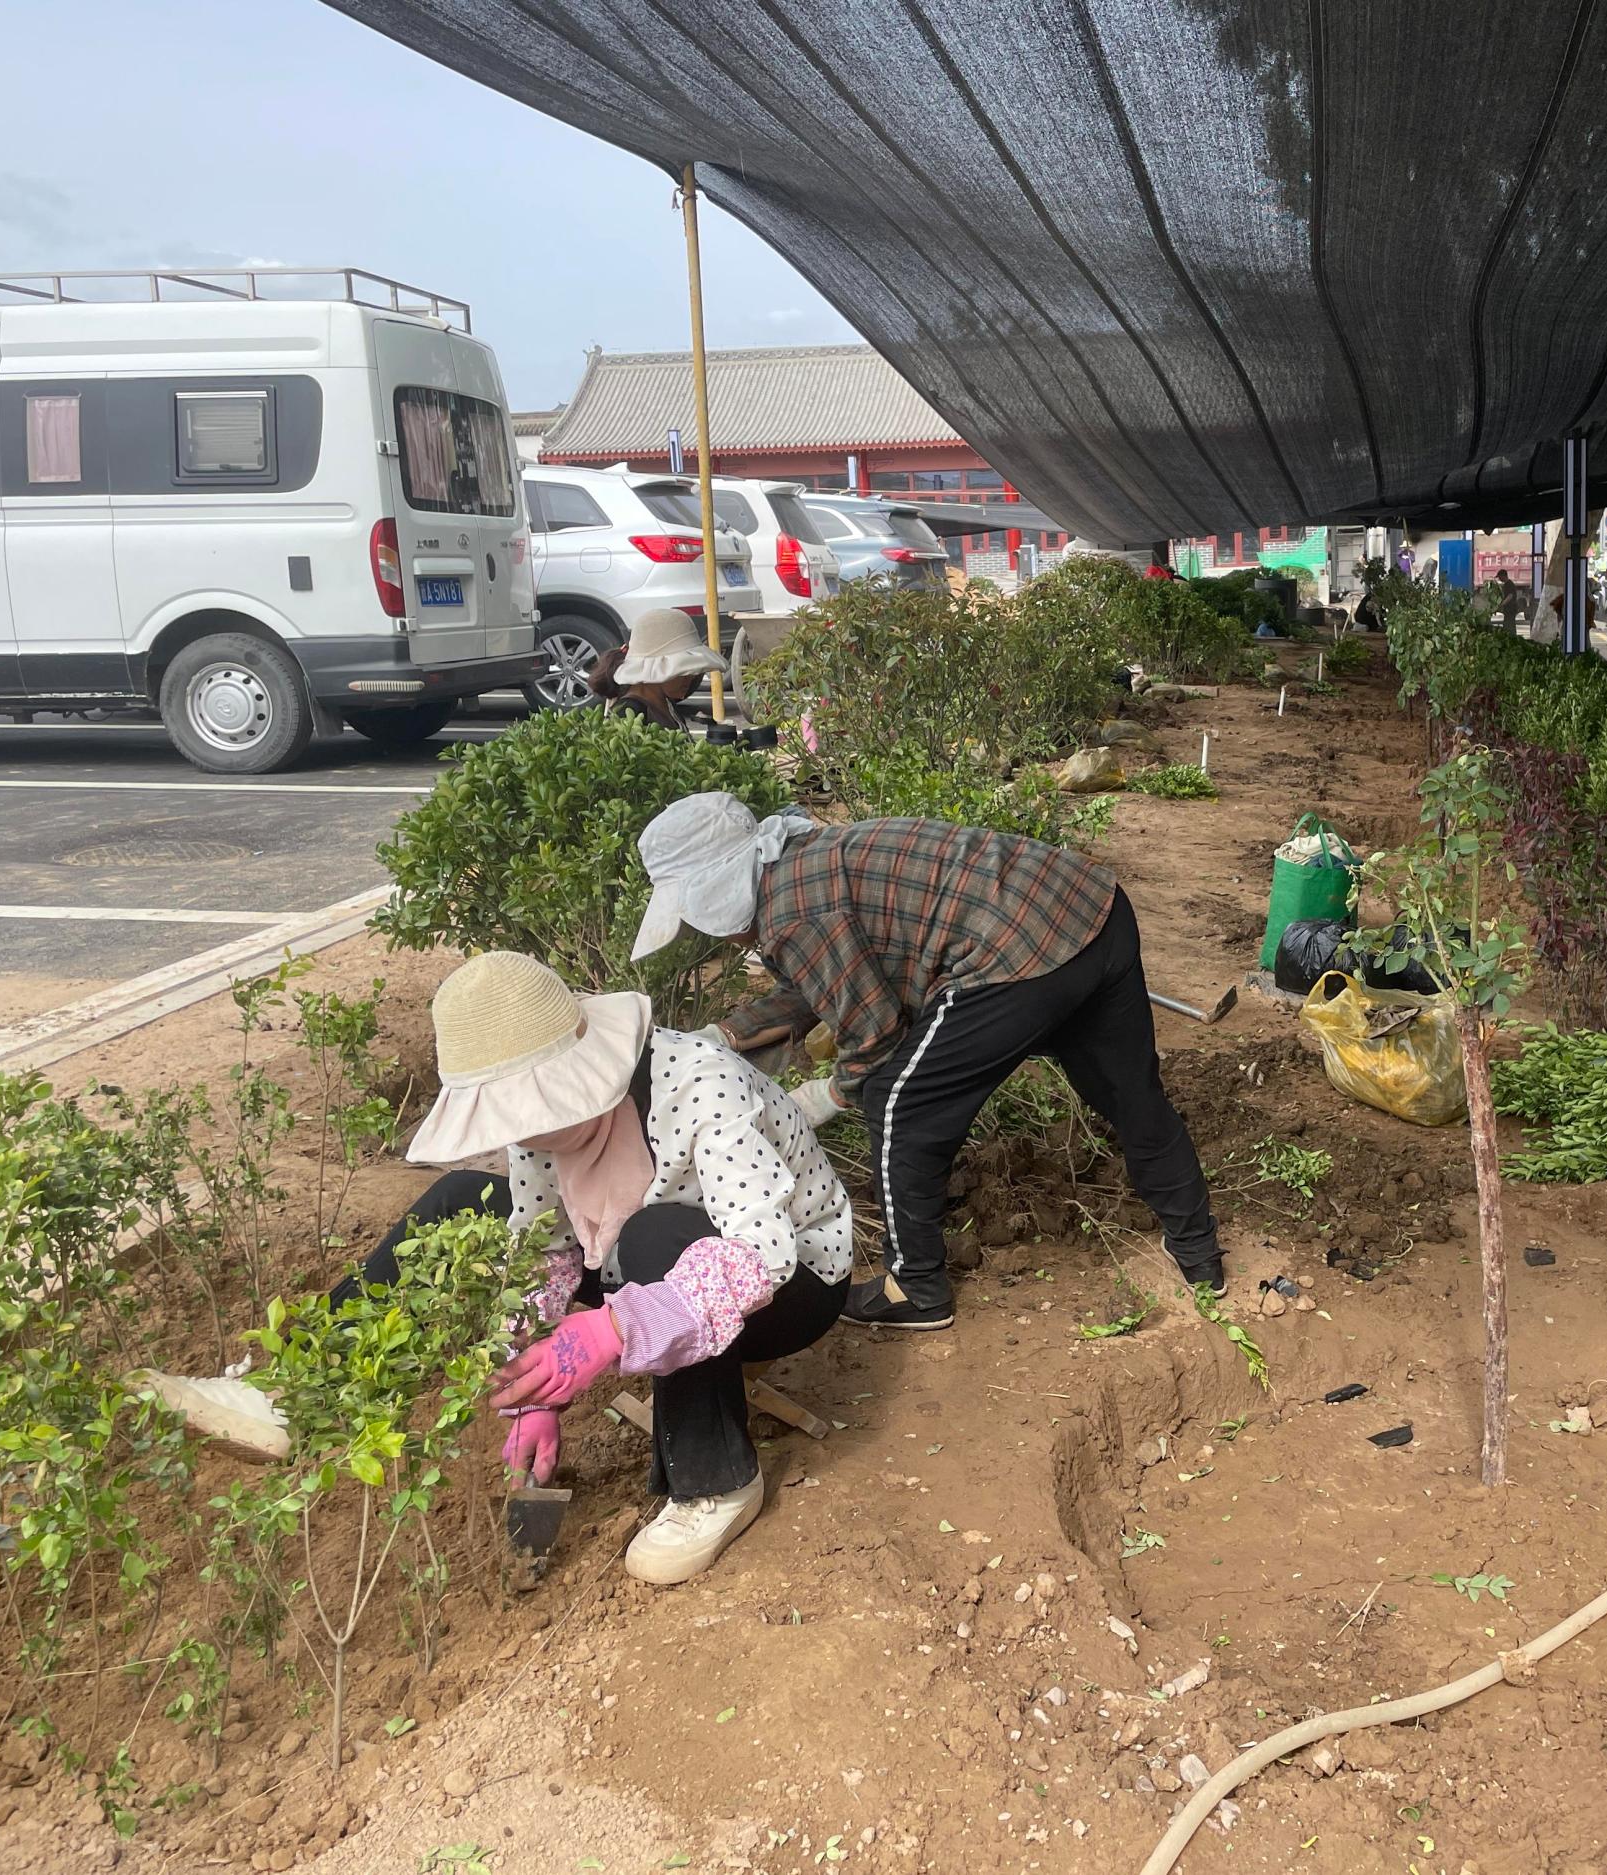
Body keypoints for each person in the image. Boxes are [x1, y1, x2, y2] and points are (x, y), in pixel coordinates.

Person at [144, 951, 854, 1586]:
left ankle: (715, 1481)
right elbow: (543, 1245)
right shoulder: (541, 1130)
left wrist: (610, 1330)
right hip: (641, 1257)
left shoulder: (702, 1085)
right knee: (457, 1200)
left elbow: (763, 1254)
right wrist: (531, 1388)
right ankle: (292, 1388)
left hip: (794, 1280)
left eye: (533, 1111)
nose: (524, 1135)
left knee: (653, 1235)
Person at [633, 795, 1224, 1331]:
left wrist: (826, 1097)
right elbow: (818, 981)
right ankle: (1198, 1252)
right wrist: (728, 1034)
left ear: (717, 889)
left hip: (1012, 951)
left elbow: (874, 1035)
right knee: (1130, 1093)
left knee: (900, 1103)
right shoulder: (800, 859)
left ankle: (914, 1287)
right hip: (1088, 908)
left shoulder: (793, 913)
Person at [588, 607, 728, 731]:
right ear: (658, 667)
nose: (691, 677)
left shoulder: (666, 703)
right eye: (682, 670)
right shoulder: (628, 712)